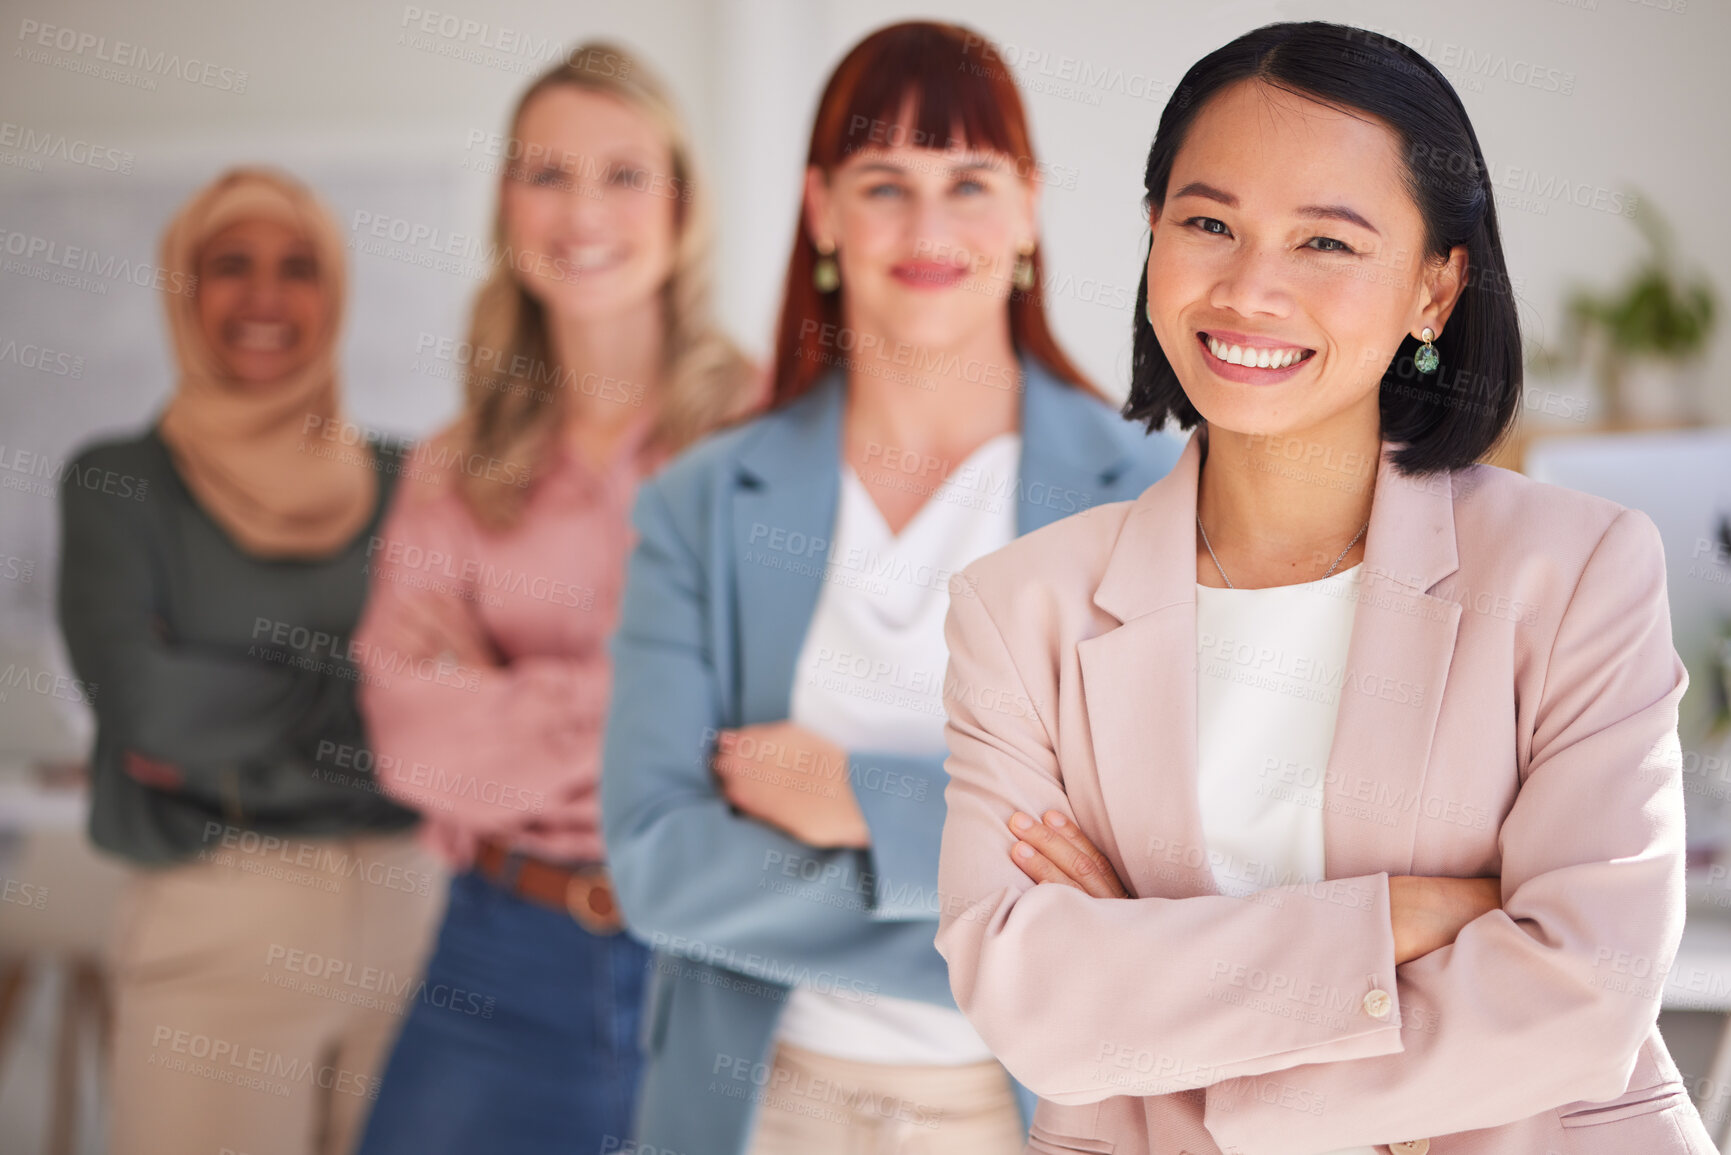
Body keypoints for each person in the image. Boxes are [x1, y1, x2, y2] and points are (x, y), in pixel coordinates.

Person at [933, 20, 1716, 1155]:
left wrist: (1163, 989)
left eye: (1327, 244)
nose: (1251, 287)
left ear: (1434, 291)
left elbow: (1587, 990)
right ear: (1153, 236)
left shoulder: (1576, 570)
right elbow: (1037, 1007)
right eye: (1209, 223)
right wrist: (1403, 920)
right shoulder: (1019, 610)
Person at [599, 21, 1182, 1155]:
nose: (927, 229)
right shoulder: (701, 503)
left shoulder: (1151, 495)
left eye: (968, 182)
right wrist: (1015, 915)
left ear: (1026, 210)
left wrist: (861, 794)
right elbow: (660, 870)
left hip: (1048, 1115)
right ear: (821, 211)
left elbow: (1163, 868)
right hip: (763, 1106)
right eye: (884, 184)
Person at [351, 43, 760, 1155]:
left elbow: (778, 721)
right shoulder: (453, 464)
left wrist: (504, 694)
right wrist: (658, 702)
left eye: (624, 174)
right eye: (546, 173)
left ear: (682, 203)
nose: (583, 210)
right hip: (500, 950)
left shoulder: (768, 439)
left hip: (723, 950)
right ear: (504, 204)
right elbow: (412, 741)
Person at [57, 167, 443, 1155]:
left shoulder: (410, 481)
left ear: (337, 293)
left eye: (299, 267)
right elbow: (144, 706)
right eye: (230, 265)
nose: (265, 297)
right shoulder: (120, 483)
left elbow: (455, 705)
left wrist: (234, 691)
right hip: (217, 920)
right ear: (184, 288)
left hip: (416, 924)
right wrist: (368, 694)